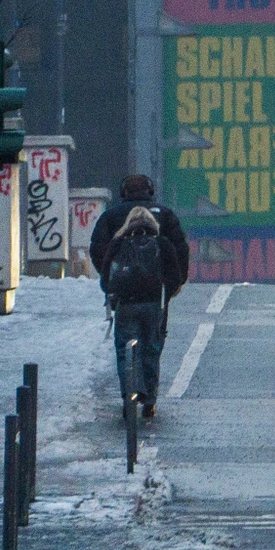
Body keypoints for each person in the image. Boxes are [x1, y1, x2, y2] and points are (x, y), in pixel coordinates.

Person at [89, 174, 191, 421]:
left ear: (123, 191)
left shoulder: (111, 218)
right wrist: (174, 286)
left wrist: (111, 286)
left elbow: (98, 252)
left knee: (125, 348)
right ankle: (150, 400)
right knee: (152, 347)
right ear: (150, 190)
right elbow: (180, 252)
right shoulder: (165, 217)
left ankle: (129, 396)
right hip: (156, 298)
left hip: (124, 299)